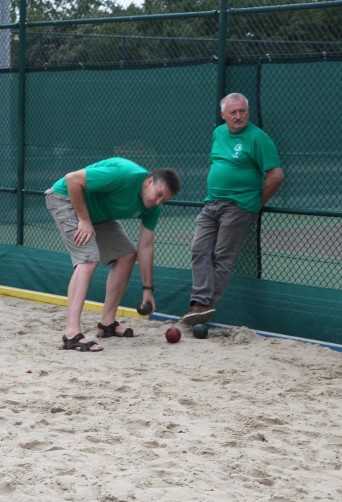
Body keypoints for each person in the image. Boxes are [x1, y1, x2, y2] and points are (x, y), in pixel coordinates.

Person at [45, 157, 181, 352]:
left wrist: (147, 289)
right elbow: (72, 179)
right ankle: (71, 334)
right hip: (65, 198)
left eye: (164, 199)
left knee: (126, 254)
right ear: (149, 181)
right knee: (88, 259)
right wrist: (83, 220)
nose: (158, 201)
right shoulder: (125, 175)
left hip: (98, 215)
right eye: (158, 194)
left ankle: (107, 324)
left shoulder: (154, 207)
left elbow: (145, 246)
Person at [180, 92, 284, 325]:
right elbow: (218, 164)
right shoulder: (218, 133)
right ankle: (201, 303)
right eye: (233, 112)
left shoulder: (259, 138)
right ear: (223, 115)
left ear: (248, 112)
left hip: (238, 207)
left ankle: (202, 305)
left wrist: (256, 202)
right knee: (199, 248)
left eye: (242, 111)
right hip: (212, 202)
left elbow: (276, 176)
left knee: (222, 256)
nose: (238, 116)